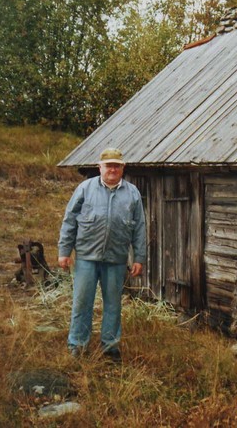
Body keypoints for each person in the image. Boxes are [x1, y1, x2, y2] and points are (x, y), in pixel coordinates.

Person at [58, 147, 147, 362]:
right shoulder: (85, 189)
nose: (113, 169)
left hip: (116, 259)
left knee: (113, 305)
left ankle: (111, 347)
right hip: (86, 257)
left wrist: (139, 258)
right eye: (109, 165)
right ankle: (77, 346)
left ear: (123, 168)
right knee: (82, 303)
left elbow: (140, 228)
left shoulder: (132, 193)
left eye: (117, 165)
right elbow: (69, 221)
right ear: (100, 167)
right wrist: (64, 251)